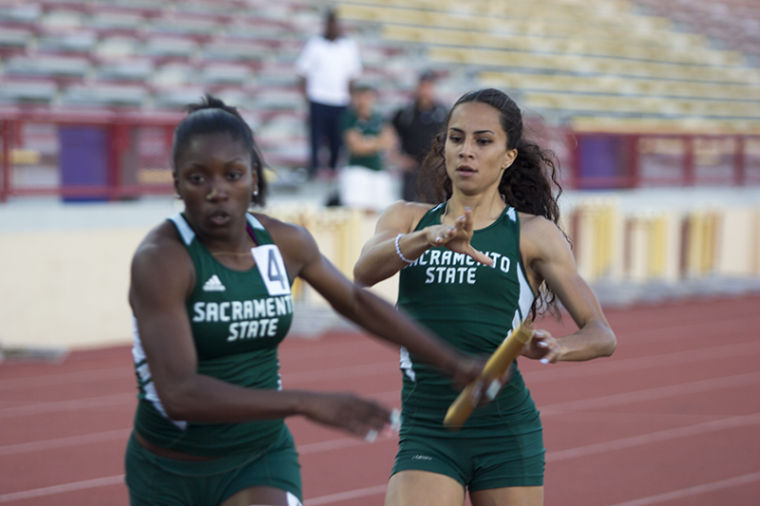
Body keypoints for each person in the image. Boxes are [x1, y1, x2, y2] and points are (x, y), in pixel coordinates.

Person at [124, 95, 483, 506]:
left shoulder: (286, 243)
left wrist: (452, 361)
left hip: (259, 457)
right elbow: (178, 392)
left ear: (255, 179)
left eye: (233, 175)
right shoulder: (163, 260)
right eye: (197, 178)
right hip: (169, 468)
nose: (217, 192)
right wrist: (306, 402)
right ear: (176, 184)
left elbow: (356, 302)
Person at [353, 88, 617, 506]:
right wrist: (427, 237)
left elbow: (602, 335)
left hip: (504, 431)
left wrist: (556, 347)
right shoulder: (407, 218)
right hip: (428, 427)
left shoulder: (533, 235)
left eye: (483, 140)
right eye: (456, 139)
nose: (466, 151)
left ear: (508, 156)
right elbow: (364, 271)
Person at [295, 8, 361, 179]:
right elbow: (303, 72)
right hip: (318, 98)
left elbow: (352, 76)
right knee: (316, 138)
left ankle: (332, 170)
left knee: (337, 140)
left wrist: (351, 98)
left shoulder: (348, 46)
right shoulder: (315, 44)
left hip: (340, 100)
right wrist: (306, 95)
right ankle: (315, 170)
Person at [336, 82, 396, 211]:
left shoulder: (379, 118)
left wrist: (367, 142)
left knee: (379, 215)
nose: (364, 101)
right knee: (356, 211)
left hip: (378, 169)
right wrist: (378, 142)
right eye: (361, 97)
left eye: (368, 97)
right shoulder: (349, 118)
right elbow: (356, 147)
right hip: (357, 169)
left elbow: (390, 141)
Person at [391, 70, 448, 202]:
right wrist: (398, 158)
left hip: (435, 169)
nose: (425, 91)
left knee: (434, 207)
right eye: (422, 86)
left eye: (429, 87)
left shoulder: (443, 113)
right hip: (413, 169)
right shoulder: (405, 114)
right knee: (409, 207)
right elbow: (390, 134)